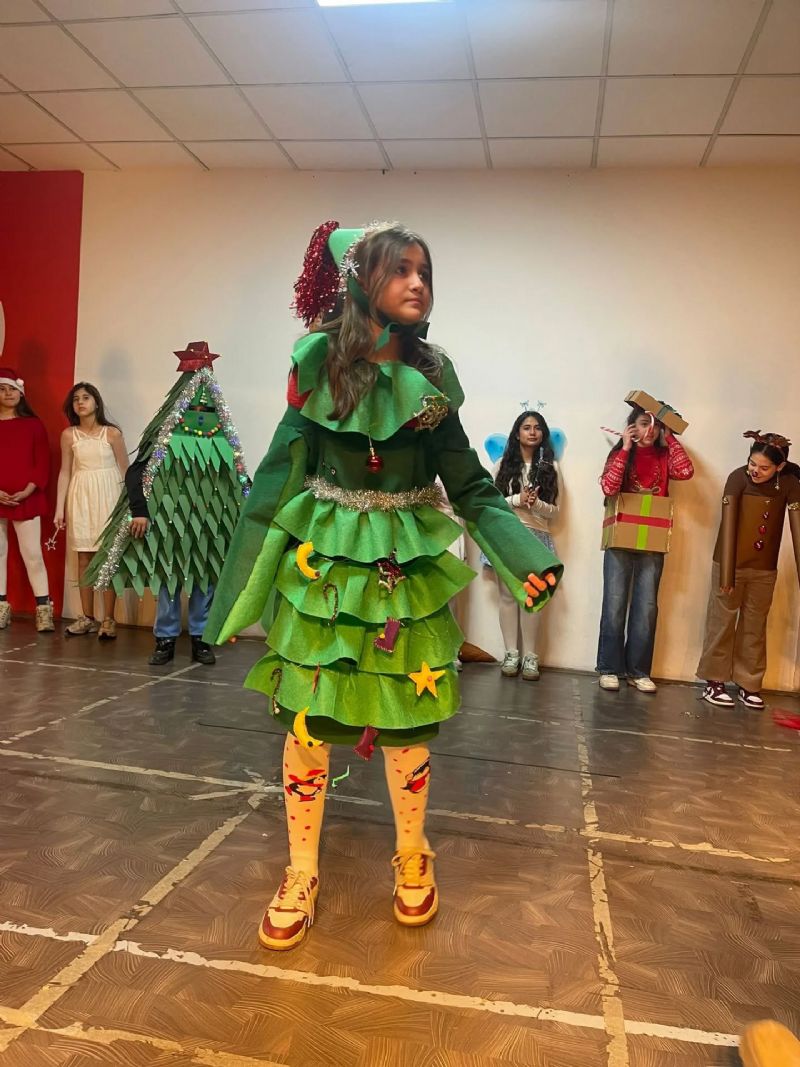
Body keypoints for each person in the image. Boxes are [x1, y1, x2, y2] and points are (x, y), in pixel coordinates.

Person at [204, 221, 563, 951]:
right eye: (400, 269)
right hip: (324, 580)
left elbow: (469, 482)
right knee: (309, 727)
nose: (417, 282)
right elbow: (276, 478)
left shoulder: (431, 378)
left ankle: (412, 851)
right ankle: (301, 869)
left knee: (405, 727)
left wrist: (520, 552)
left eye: (424, 270)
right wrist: (242, 583)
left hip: (404, 576)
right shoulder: (317, 368)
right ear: (360, 280)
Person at [83, 341, 250, 667]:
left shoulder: (223, 444)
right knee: (170, 578)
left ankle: (201, 639)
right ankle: (165, 639)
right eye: (194, 408)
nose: (200, 415)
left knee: (204, 579)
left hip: (209, 526)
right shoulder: (165, 439)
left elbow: (242, 480)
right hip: (170, 524)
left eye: (207, 410)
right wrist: (140, 511)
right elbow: (136, 473)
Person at [697, 431, 800, 710]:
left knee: (755, 626)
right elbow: (728, 522)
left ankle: (749, 684)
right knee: (721, 622)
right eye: (752, 463)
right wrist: (727, 573)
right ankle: (714, 682)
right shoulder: (737, 478)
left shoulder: (789, 484)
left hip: (764, 569)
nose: (755, 470)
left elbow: (797, 526)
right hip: (730, 564)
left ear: (779, 467)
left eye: (764, 467)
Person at [596, 402, 693, 692]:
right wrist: (626, 448)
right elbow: (609, 488)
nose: (648, 430)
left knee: (647, 607)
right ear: (631, 426)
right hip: (620, 537)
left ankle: (638, 671)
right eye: (642, 423)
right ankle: (609, 668)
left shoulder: (664, 455)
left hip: (653, 538)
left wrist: (670, 435)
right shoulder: (620, 453)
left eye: (654, 424)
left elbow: (685, 471)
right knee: (614, 603)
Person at [55, 382, 129, 639]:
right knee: (84, 557)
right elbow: (65, 472)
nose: (80, 402)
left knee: (108, 558)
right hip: (81, 496)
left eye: (86, 397)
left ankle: (109, 619)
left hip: (109, 496)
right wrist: (59, 508)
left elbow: (125, 470)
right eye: (76, 399)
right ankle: (86, 617)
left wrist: (128, 505)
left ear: (96, 402)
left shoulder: (112, 434)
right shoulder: (69, 435)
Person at [492, 410, 560, 681]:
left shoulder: (551, 468)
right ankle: (511, 653)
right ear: (517, 433)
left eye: (537, 427)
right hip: (507, 535)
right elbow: (490, 503)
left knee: (533, 597)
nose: (532, 432)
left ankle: (531, 656)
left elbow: (556, 512)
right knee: (508, 596)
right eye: (526, 427)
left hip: (536, 538)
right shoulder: (501, 465)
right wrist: (517, 500)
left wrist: (537, 504)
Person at [0, 367, 54, 633]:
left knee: (32, 554)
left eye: (12, 389)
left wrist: (28, 490)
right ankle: (1, 606)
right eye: (2, 389)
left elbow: (42, 461)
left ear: (21, 393)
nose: (8, 394)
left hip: (26, 498)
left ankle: (43, 608)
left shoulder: (33, 425)